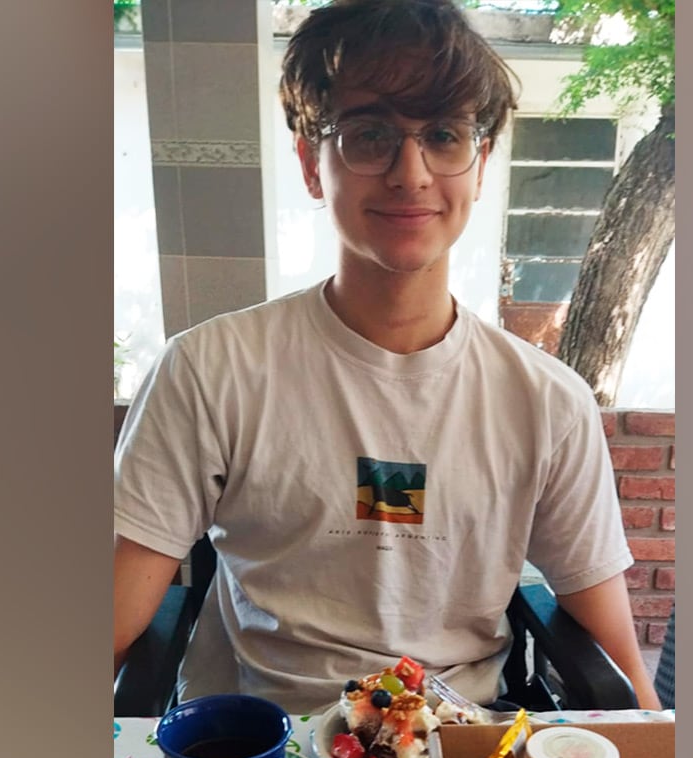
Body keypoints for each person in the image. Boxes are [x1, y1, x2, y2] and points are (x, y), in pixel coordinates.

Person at [113, 0, 659, 714]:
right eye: (368, 135)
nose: (411, 172)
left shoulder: (549, 402)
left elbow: (610, 644)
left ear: (480, 163)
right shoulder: (210, 371)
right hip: (259, 751)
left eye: (443, 134)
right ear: (313, 164)